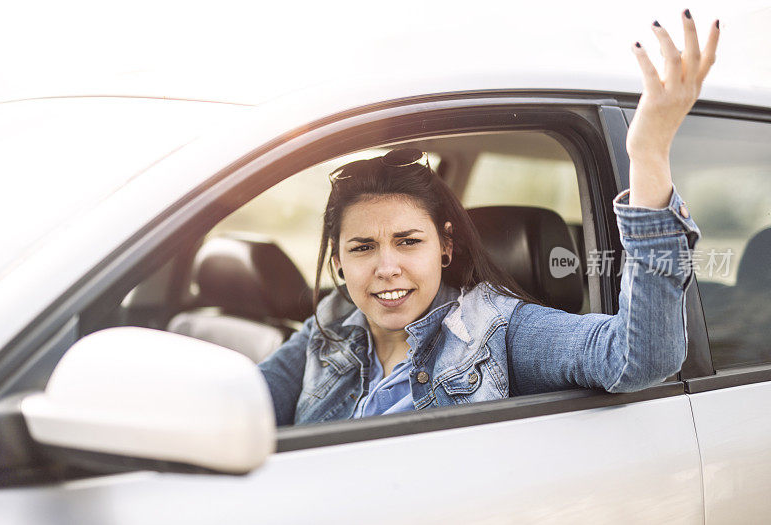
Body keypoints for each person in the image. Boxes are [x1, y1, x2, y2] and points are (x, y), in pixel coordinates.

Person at [259, 11, 720, 426]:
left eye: (408, 241)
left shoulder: (496, 331)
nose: (386, 268)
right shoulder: (332, 320)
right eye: (362, 247)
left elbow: (638, 357)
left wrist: (648, 157)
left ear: (445, 246)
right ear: (338, 264)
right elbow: (251, 401)